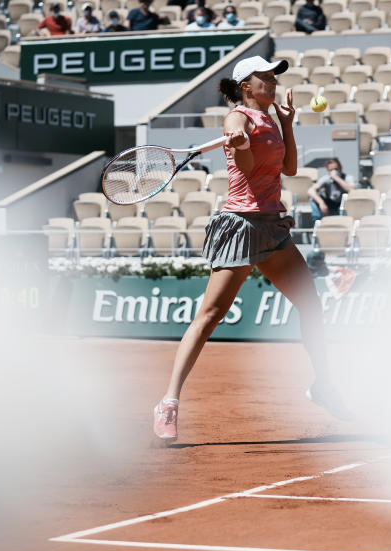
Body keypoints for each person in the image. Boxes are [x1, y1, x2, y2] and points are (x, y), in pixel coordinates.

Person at [152, 55, 353, 442]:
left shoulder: (272, 119)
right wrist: (240, 143)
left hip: (273, 227)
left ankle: (323, 385)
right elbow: (243, 168)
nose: (273, 83)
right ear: (247, 86)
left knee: (312, 306)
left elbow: (290, 169)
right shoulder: (236, 119)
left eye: (274, 77)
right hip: (241, 227)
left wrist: (289, 125)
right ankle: (168, 403)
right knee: (209, 316)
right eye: (266, 78)